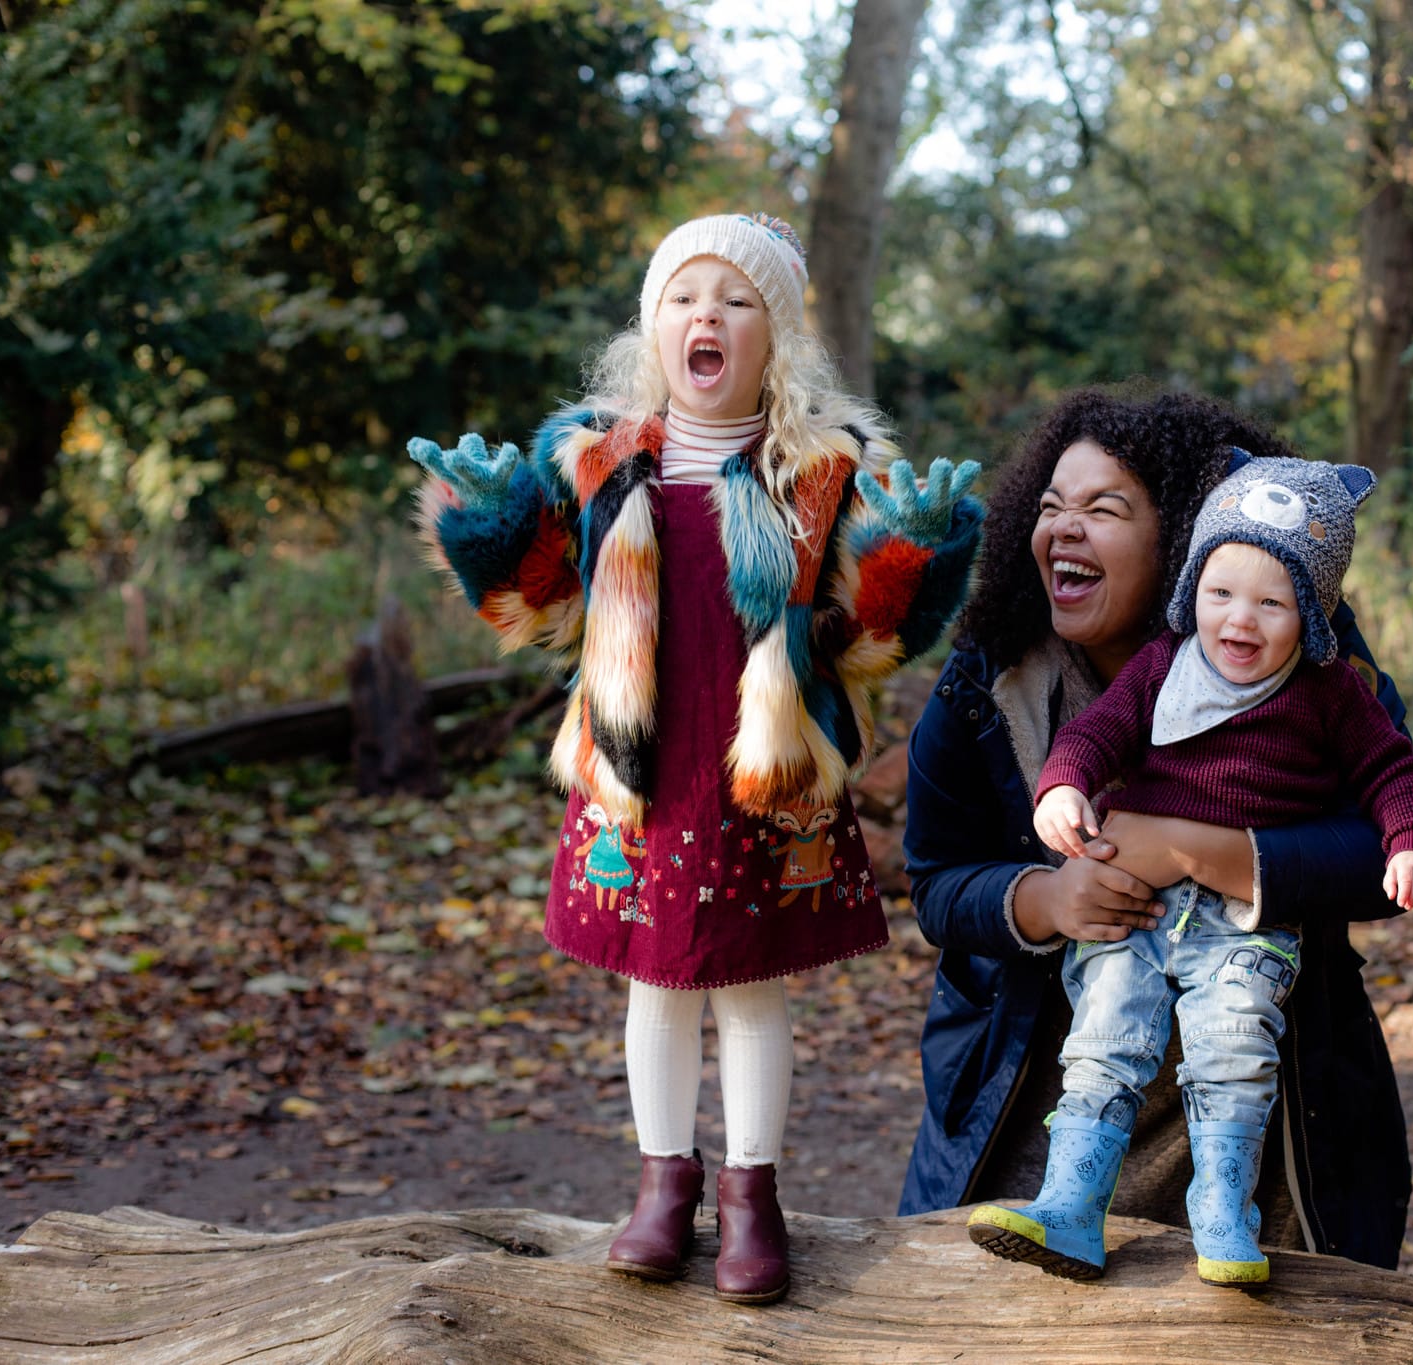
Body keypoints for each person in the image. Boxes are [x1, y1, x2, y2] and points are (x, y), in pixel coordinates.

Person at [408, 212, 983, 1304]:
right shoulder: (597, 463)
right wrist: (486, 523)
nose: (706, 315)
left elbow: (870, 638)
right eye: (684, 297)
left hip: (762, 777)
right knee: (655, 986)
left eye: (737, 300)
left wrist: (915, 552)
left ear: (778, 340)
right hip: (642, 772)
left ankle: (752, 1197)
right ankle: (663, 1185)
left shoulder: (819, 474)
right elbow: (540, 609)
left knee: (752, 986)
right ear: (651, 327)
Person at [896, 388, 1413, 1276]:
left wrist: (1185, 848)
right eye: (1052, 506)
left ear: (1181, 535)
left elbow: (1385, 853)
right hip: (1033, 1114)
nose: (1065, 527)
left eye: (1104, 509)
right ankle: (1071, 1204)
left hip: (1264, 1118)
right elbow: (937, 882)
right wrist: (1046, 897)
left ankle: (1223, 1214)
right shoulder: (989, 682)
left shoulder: (1306, 662)